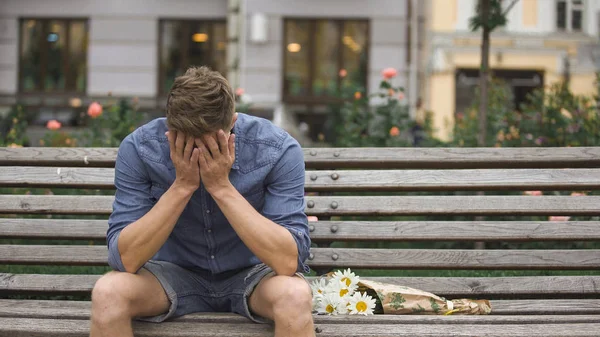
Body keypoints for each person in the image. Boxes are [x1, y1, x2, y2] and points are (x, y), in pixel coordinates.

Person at [90, 66, 314, 337]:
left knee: (295, 295)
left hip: (253, 275)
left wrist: (221, 187)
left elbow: (288, 261)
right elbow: (124, 259)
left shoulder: (277, 149)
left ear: (232, 122)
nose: (196, 152)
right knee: (108, 293)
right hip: (170, 275)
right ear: (169, 125)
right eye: (184, 140)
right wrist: (182, 186)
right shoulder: (139, 148)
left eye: (208, 143)